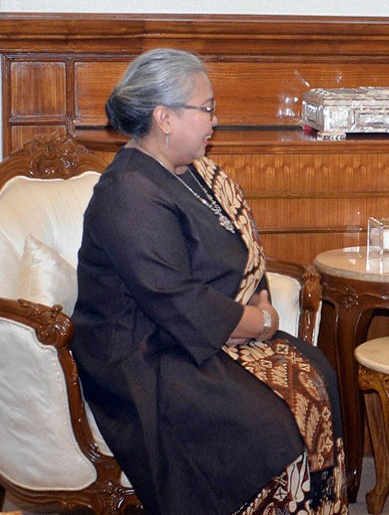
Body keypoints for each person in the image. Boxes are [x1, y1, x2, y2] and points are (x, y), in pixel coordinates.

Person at [71, 48, 348, 515]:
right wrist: (259, 324)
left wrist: (258, 295)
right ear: (164, 118)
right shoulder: (127, 194)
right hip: (145, 358)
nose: (214, 121)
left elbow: (238, 247)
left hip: (192, 337)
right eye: (206, 108)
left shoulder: (190, 174)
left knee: (316, 370)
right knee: (265, 423)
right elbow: (175, 299)